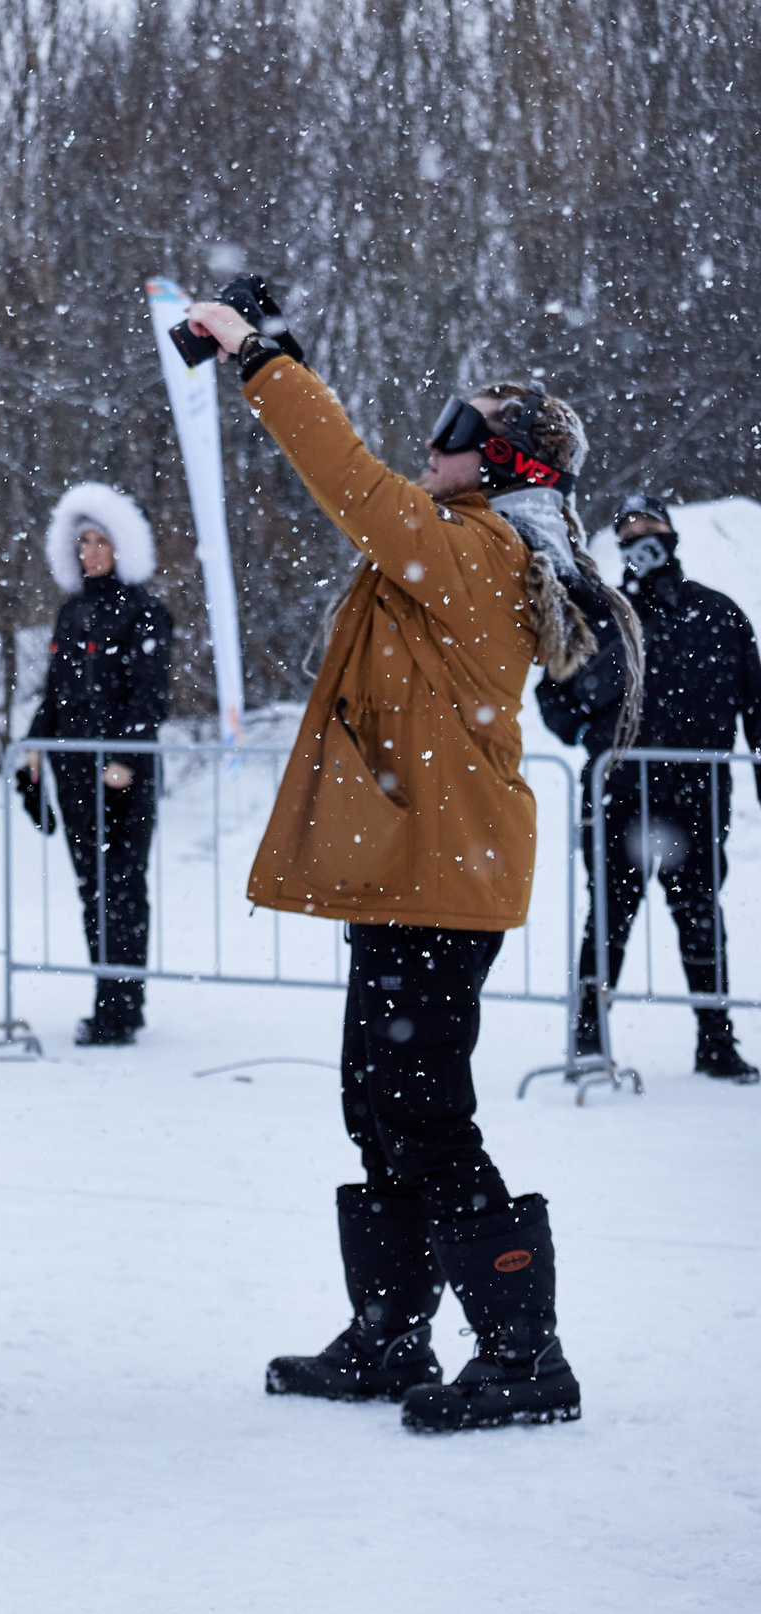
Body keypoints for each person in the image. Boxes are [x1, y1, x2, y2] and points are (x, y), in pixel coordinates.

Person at [188, 294, 625, 1432]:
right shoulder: (457, 542)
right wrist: (279, 359)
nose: (432, 444)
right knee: (374, 1102)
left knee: (423, 1114)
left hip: (444, 873)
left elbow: (351, 482)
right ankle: (390, 1335)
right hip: (412, 864)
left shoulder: (481, 550)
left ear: (507, 464)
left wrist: (261, 361)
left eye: (455, 429)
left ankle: (526, 1354)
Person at [543, 491, 761, 1082]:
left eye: (651, 526)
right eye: (630, 530)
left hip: (697, 795)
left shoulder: (719, 614)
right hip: (619, 794)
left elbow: (756, 708)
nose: (642, 539)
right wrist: (588, 731)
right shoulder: (603, 617)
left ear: (671, 535)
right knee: (608, 917)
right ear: (619, 545)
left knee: (700, 916)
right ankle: (589, 1038)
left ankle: (715, 1042)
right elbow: (553, 696)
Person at [21, 484, 175, 1046]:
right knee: (93, 888)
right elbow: (57, 692)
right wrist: (34, 744)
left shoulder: (146, 613)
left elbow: (150, 696)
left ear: (123, 546)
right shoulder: (71, 611)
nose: (91, 552)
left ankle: (123, 1006)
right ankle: (106, 997)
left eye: (101, 541)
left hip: (123, 777)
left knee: (123, 887)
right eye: (83, 541)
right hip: (75, 773)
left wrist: (124, 759)